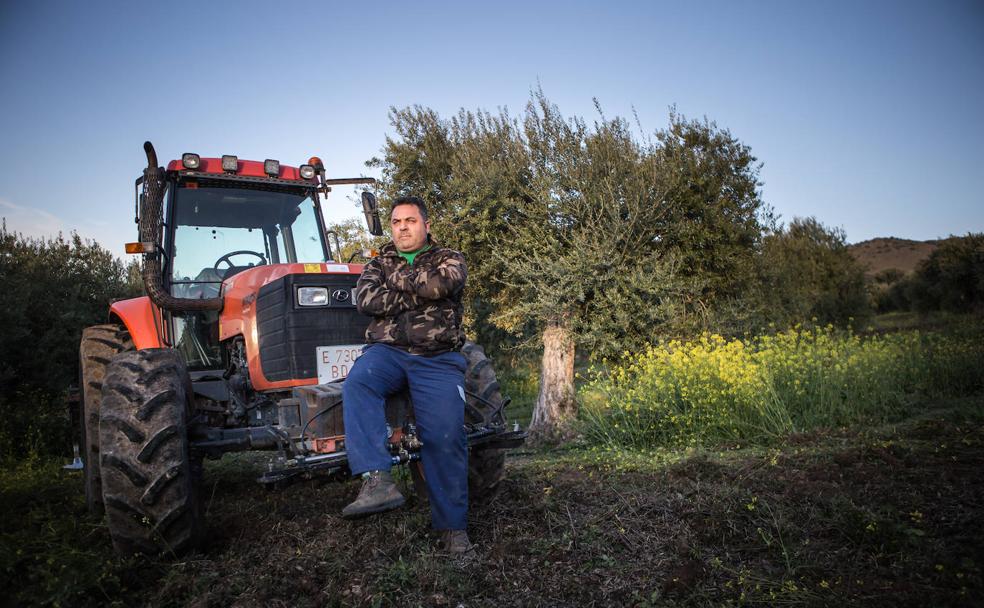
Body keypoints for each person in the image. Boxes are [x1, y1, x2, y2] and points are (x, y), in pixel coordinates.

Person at [341, 195, 473, 556]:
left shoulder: (449, 258)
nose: (402, 228)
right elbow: (367, 301)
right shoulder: (377, 263)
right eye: (397, 222)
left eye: (410, 221)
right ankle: (377, 480)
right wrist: (419, 293)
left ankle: (453, 530)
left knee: (445, 437)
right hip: (388, 352)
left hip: (437, 356)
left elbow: (440, 286)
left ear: (426, 225)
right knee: (358, 382)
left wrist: (399, 284)